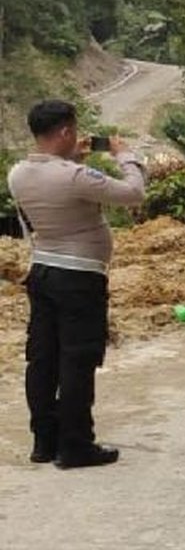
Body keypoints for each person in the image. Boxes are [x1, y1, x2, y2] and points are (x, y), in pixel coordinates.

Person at [7, 100, 146, 468]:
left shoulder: (18, 173)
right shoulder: (74, 177)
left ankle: (44, 440)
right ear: (67, 131)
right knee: (78, 359)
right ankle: (76, 445)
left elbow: (57, 197)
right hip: (80, 276)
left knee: (43, 358)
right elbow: (133, 192)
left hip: (43, 270)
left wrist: (76, 162)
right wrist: (125, 156)